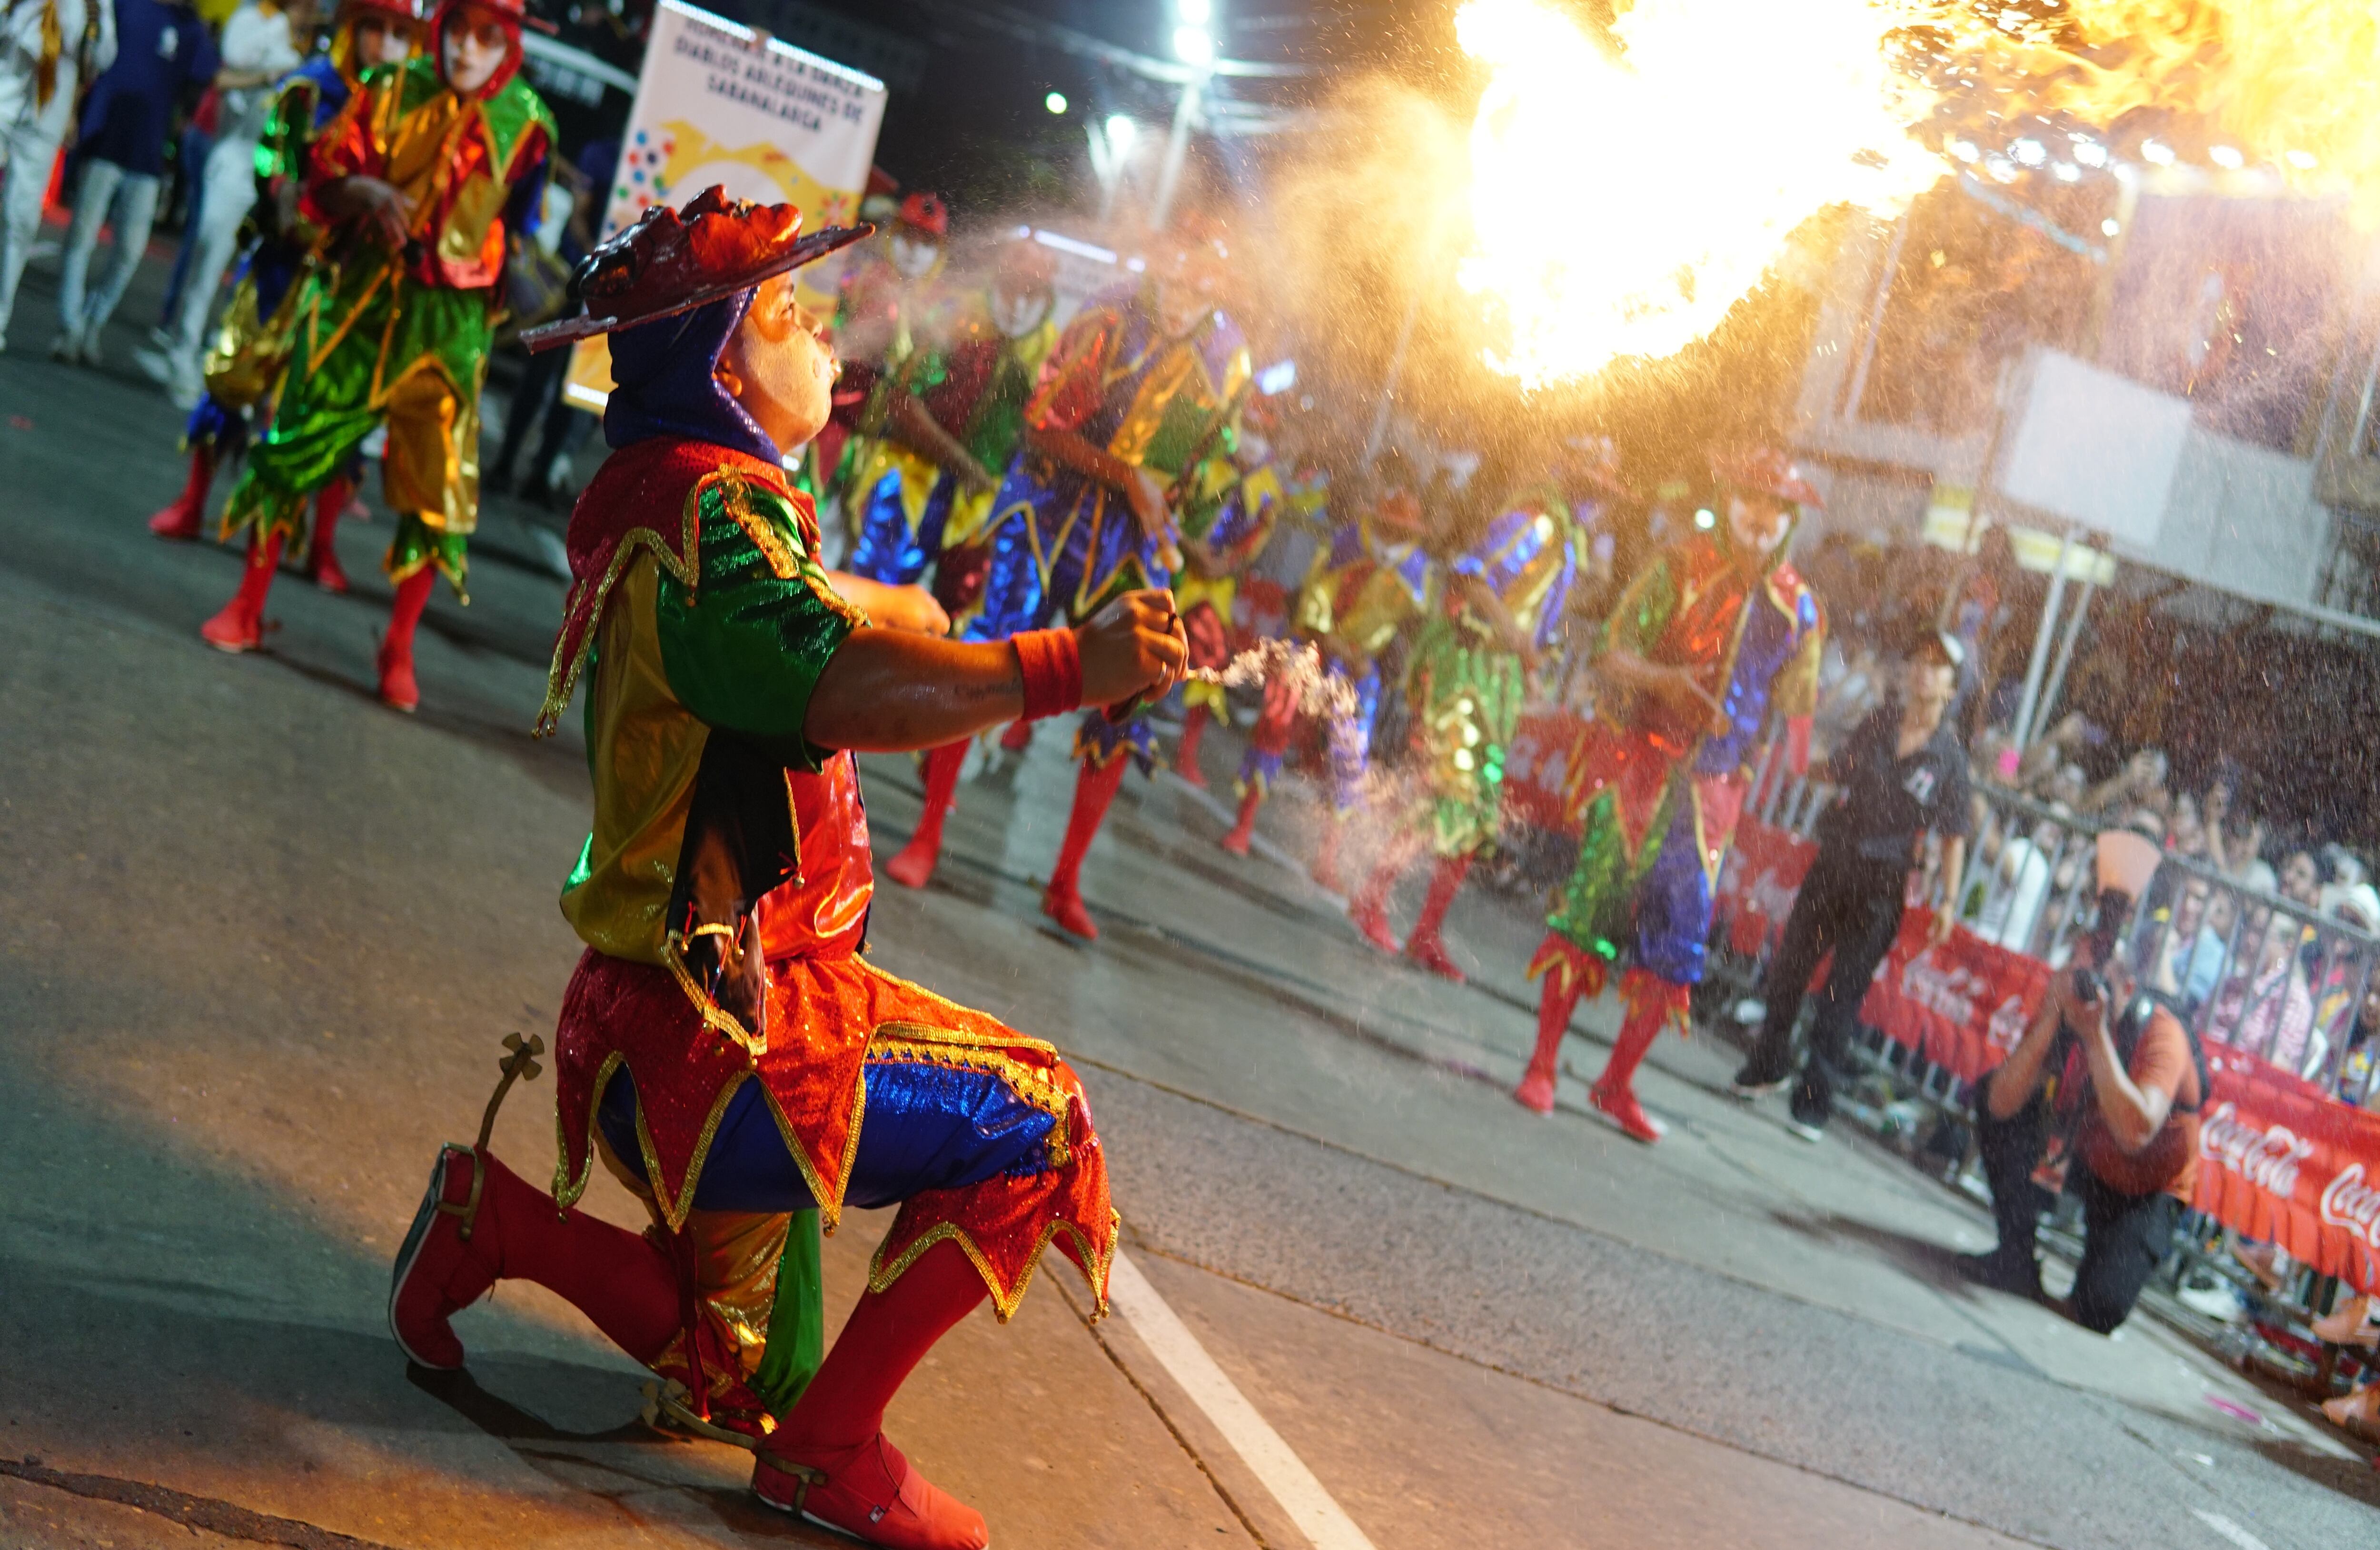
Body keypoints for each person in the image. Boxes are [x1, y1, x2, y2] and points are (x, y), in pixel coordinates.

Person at [392, 186, 1183, 1546]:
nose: (821, 332)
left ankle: (497, 1222)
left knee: (736, 1365)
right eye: (787, 312)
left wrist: (922, 598)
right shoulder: (715, 526)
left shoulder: (666, 493)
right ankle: (828, 1459)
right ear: (716, 362)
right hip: (736, 1046)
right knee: (1042, 1124)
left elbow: (820, 616)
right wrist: (1066, 665)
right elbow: (836, 677)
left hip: (645, 1028)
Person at [887, 217, 1248, 936]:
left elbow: (1211, 462)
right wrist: (1130, 479)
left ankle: (1065, 881)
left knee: (1136, 689)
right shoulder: (1111, 311)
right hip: (1048, 504)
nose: (1186, 281)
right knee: (989, 655)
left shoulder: (1229, 356)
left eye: (1205, 268)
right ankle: (926, 834)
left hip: (1131, 537)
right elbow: (1044, 426)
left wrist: (1189, 516)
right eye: (1178, 260)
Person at [197, 0, 554, 713]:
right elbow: (320, 182)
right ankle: (246, 603)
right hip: (362, 295)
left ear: (508, 42)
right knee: (295, 437)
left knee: (437, 492)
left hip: (449, 322)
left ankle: (398, 646)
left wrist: (513, 276)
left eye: (488, 36)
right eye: (458, 29)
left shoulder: (530, 123)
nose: (466, 51)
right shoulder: (388, 90)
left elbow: (521, 221)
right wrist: (364, 190)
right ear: (441, 25)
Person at [1509, 447, 1824, 1139]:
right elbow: (1612, 651)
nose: (1763, 515)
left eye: (1778, 506)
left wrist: (1781, 762)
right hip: (1640, 771)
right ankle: (1542, 1063)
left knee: (1680, 949)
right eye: (1752, 498)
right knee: (1589, 913)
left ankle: (1615, 1084)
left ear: (1793, 517)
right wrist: (1665, 684)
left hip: (1710, 799)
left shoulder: (1800, 609)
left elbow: (1792, 712)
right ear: (1731, 496)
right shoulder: (1677, 566)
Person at [143, 0, 423, 574]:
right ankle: (194, 502)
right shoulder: (310, 89)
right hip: (283, 265)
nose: (389, 45)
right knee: (231, 380)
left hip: (352, 288)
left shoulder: (410, 113)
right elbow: (274, 163)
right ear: (353, 27)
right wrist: (289, 202)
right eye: (379, 28)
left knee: (336, 416)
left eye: (402, 33)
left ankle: (319, 545)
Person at [1347, 450, 1601, 982]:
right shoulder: (1535, 522)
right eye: (1592, 486)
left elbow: (1534, 616)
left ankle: (1425, 931)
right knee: (1446, 794)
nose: (1599, 502)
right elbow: (1472, 575)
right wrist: (1513, 638)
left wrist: (1528, 666)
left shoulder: (1567, 539)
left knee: (1477, 811)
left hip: (1496, 681)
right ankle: (1371, 898)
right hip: (1466, 666)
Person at [1730, 628, 1971, 1138]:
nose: (1923, 670)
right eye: (1918, 659)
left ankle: (1812, 1104)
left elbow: (1953, 837)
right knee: (1790, 966)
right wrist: (1800, 762)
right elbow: (1838, 770)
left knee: (1841, 998)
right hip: (1835, 861)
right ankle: (1766, 1066)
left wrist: (1949, 900)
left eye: (1936, 665)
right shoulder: (1879, 723)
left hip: (1881, 886)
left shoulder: (1949, 758)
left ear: (1952, 685)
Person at [1959, 835, 2204, 1334]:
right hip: (2088, 1159)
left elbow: (2136, 1130)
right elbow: (2001, 1103)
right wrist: (2052, 1016)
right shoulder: (2070, 1003)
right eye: (2085, 962)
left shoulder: (2161, 1031)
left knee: (2099, 1309)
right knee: (1990, 1092)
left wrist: (2095, 1037)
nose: (2092, 979)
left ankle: (2103, 1262)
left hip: (2142, 1184)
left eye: (2103, 972)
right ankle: (2014, 1256)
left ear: (2130, 983)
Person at [1220, 451, 1427, 878]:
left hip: (1357, 669)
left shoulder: (1416, 569)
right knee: (1274, 728)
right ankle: (1243, 824)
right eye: (1391, 525)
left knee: (1351, 758)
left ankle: (1328, 857)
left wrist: (1377, 661)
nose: (1394, 535)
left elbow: (1404, 629)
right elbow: (1313, 598)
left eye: (1403, 530)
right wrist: (1331, 641)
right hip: (1312, 649)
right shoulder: (1349, 541)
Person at [140, 0, 314, 408]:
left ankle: (216, 356)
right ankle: (182, 352)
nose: (310, 12)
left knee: (246, 277)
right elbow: (235, 59)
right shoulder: (253, 20)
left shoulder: (297, 41)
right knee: (208, 260)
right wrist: (279, 39)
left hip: (269, 175)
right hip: (235, 158)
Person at [47, 0, 216, 364]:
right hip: (106, 138)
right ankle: (69, 325)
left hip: (148, 155)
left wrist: (183, 122)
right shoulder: (125, 6)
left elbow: (204, 78)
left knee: (129, 251)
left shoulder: (190, 28)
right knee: (80, 237)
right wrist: (75, 112)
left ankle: (94, 320)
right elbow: (93, 58)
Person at [0, 0, 115, 352]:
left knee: (21, 218)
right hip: (4, 97)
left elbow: (104, 59)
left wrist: (95, 23)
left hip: (47, 116)